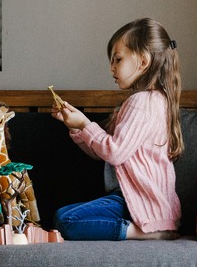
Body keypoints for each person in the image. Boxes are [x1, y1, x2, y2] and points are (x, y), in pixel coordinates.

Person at [51, 17, 183, 241]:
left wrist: (85, 124)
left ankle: (146, 233)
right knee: (63, 216)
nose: (112, 68)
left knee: (66, 221)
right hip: (139, 199)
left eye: (118, 59)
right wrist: (76, 128)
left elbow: (114, 152)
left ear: (143, 61)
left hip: (141, 200)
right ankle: (150, 229)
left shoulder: (142, 102)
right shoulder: (154, 100)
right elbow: (104, 152)